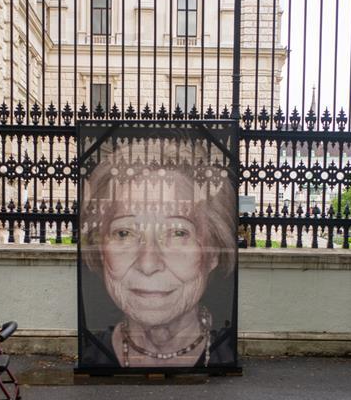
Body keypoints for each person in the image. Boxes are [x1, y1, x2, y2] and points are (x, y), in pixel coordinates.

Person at [78, 134, 238, 369]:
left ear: (213, 251)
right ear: (101, 250)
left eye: (178, 233)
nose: (148, 264)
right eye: (124, 233)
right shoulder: (92, 358)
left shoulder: (226, 355)